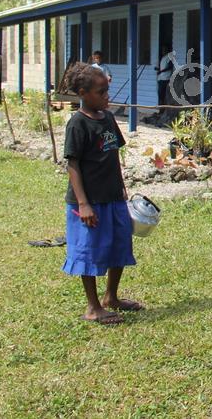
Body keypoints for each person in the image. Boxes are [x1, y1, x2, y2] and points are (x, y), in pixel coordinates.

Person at [61, 62, 143, 325]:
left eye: (107, 91)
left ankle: (111, 297)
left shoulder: (107, 118)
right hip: (89, 201)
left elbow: (113, 154)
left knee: (119, 243)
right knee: (90, 250)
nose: (107, 96)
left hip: (113, 197)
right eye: (101, 92)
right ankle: (93, 306)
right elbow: (73, 164)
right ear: (84, 93)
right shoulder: (77, 124)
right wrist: (83, 204)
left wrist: (121, 186)